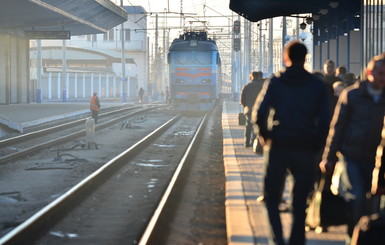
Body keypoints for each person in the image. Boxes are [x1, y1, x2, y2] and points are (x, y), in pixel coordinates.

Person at [253, 41, 329, 245]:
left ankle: (277, 240)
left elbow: (259, 114)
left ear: (286, 58)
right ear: (305, 58)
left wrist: (265, 136)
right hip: (306, 146)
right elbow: (325, 121)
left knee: (271, 198)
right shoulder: (317, 85)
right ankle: (297, 241)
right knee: (300, 199)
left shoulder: (276, 82)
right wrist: (318, 145)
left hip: (278, 144)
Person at [320, 53, 385, 244]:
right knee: (357, 198)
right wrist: (328, 157)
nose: (383, 77)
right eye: (380, 73)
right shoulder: (352, 96)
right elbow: (337, 128)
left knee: (374, 203)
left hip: (377, 160)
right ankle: (354, 237)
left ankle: (366, 235)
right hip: (352, 157)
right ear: (369, 73)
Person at [240, 71, 264, 147]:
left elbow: (242, 100)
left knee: (248, 126)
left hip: (249, 109)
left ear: (252, 76)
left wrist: (245, 106)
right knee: (257, 126)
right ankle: (254, 142)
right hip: (259, 109)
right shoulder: (262, 86)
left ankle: (246, 143)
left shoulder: (247, 86)